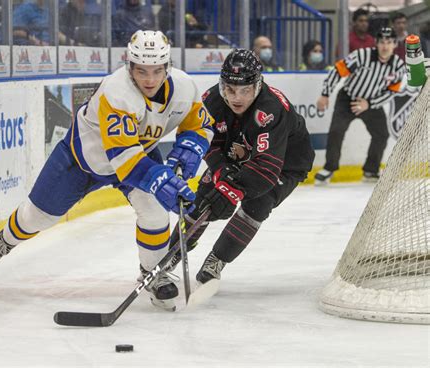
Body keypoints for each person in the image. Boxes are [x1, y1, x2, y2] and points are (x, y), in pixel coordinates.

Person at [0, 30, 214, 311]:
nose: (149, 79)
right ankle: (6, 239)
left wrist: (187, 153)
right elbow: (124, 159)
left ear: (167, 67)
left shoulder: (185, 88)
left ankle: (154, 273)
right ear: (129, 66)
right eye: (141, 71)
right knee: (36, 217)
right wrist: (165, 183)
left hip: (138, 154)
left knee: (155, 211)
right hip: (81, 159)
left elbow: (200, 125)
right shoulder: (117, 91)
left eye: (157, 71)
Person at [167, 49, 314, 286]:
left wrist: (231, 191)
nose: (237, 98)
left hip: (285, 163)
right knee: (204, 198)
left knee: (257, 204)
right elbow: (209, 143)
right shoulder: (211, 100)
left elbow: (266, 169)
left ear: (257, 85)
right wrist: (220, 172)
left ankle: (217, 259)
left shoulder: (272, 109)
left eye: (245, 90)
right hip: (237, 153)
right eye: (230, 89)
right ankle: (172, 253)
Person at [315, 27, 405, 185]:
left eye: (389, 42)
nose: (385, 46)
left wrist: (369, 104)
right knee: (336, 131)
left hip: (371, 103)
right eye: (382, 42)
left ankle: (371, 170)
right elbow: (338, 71)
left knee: (381, 134)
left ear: (394, 44)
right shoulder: (362, 55)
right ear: (376, 43)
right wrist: (325, 94)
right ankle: (329, 168)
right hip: (347, 98)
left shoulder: (398, 65)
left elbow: (391, 92)